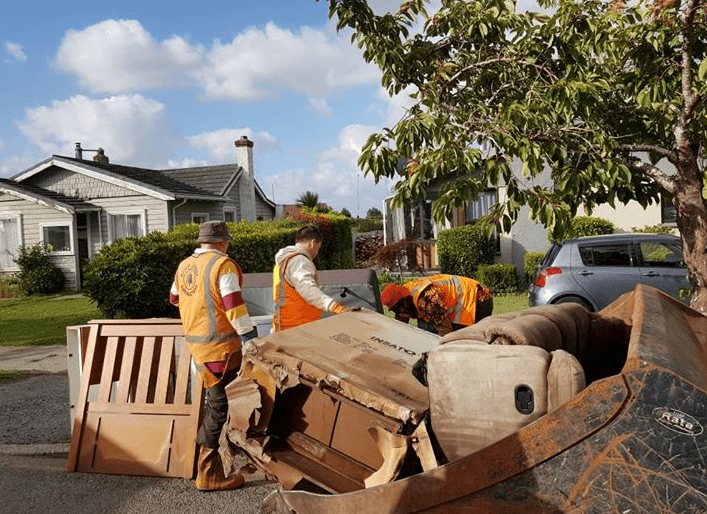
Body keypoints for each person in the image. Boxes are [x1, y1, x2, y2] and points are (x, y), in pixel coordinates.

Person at [169, 221, 258, 491]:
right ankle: (208, 474)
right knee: (220, 409)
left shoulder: (185, 266)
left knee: (218, 405)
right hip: (222, 350)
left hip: (199, 348)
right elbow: (232, 304)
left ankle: (215, 465)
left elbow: (174, 298)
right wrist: (250, 337)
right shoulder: (223, 265)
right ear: (222, 242)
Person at [273, 225, 348, 331]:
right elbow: (308, 289)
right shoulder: (299, 261)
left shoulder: (284, 261)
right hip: (299, 327)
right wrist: (334, 307)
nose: (317, 252)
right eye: (319, 247)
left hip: (285, 325)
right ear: (313, 243)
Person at [381, 274, 493, 336]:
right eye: (395, 310)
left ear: (404, 301)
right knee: (425, 330)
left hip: (478, 297)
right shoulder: (406, 292)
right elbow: (400, 325)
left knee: (463, 338)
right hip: (470, 295)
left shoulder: (425, 299)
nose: (400, 313)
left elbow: (445, 330)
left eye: (399, 309)